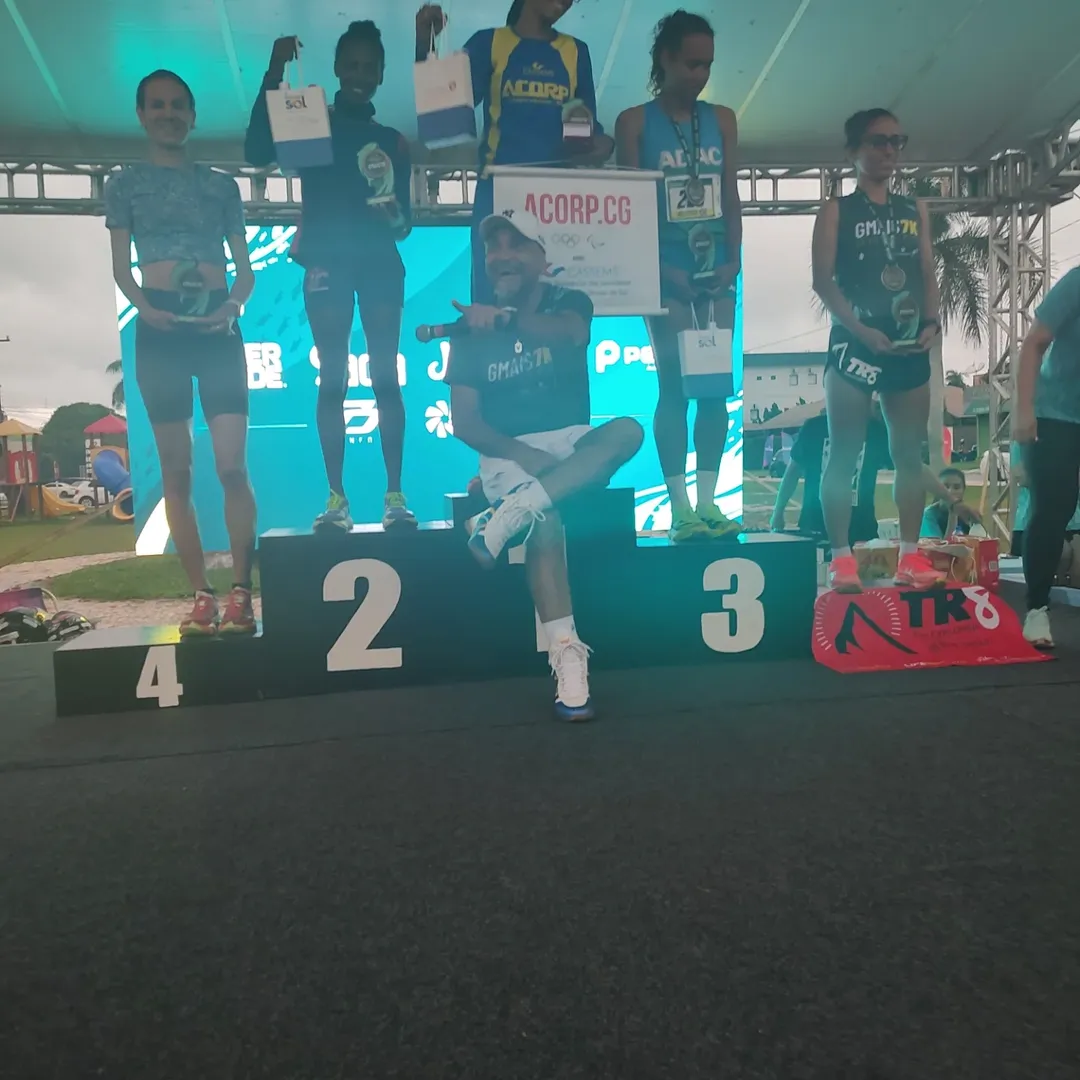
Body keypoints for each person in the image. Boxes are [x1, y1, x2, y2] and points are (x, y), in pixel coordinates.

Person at [445, 208, 643, 721]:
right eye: (494, 247)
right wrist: (523, 454)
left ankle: (506, 516)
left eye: (516, 245)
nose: (502, 255)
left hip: (571, 438)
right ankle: (567, 656)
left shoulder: (570, 302)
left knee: (628, 431)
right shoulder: (469, 327)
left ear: (541, 257)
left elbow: (570, 334)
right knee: (547, 521)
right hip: (506, 452)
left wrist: (507, 321)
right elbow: (465, 423)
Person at [245, 22, 416, 533]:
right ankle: (336, 499)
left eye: (370, 67)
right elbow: (256, 152)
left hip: (379, 263)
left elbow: (404, 224)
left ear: (381, 74)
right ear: (338, 68)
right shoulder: (309, 123)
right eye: (353, 65)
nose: (360, 75)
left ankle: (395, 497)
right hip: (326, 262)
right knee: (333, 379)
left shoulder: (392, 141)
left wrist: (391, 213)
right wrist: (274, 71)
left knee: (385, 377)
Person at [105, 70, 257, 638]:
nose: (168, 114)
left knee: (231, 465)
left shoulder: (221, 187)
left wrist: (232, 306)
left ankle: (241, 591)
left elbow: (245, 272)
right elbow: (122, 267)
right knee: (176, 470)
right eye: (157, 105)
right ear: (142, 115)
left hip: (217, 324)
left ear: (192, 116)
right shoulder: (123, 184)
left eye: (177, 106)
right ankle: (201, 595)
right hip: (159, 328)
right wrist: (146, 308)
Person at [614, 11, 742, 542]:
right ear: (664, 59)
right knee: (675, 386)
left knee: (714, 388)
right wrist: (662, 270)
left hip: (716, 267)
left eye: (707, 64)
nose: (700, 75)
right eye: (691, 63)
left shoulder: (723, 119)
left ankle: (709, 502)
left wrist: (733, 258)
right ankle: (679, 509)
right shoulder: (634, 123)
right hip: (662, 266)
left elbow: (730, 192)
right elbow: (630, 207)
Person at [811, 107, 946, 592]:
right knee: (845, 452)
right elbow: (823, 281)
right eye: (878, 141)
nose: (890, 150)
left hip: (908, 343)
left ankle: (910, 556)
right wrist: (860, 329)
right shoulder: (836, 210)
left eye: (896, 141)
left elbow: (927, 271)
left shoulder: (915, 209)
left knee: (908, 453)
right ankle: (840, 559)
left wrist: (932, 322)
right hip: (855, 345)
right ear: (854, 150)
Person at [415, 1, 614, 304]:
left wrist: (601, 145)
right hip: (497, 192)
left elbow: (584, 129)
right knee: (491, 301)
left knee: (552, 299)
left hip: (555, 199)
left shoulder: (577, 51)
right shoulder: (490, 42)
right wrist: (425, 43)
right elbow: (441, 110)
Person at [1013, 262, 1080, 647]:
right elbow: (1035, 342)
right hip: (1055, 415)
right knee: (1054, 508)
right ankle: (1037, 609)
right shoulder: (1077, 282)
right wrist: (1024, 410)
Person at [770, 403, 891, 543]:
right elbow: (792, 472)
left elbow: (902, 464)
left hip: (861, 527)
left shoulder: (875, 431)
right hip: (816, 523)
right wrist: (778, 511)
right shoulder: (814, 428)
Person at [920, 467, 984, 538]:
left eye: (956, 487)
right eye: (945, 487)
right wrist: (953, 515)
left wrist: (976, 523)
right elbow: (940, 545)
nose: (950, 491)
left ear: (963, 489)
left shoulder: (967, 513)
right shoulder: (928, 516)